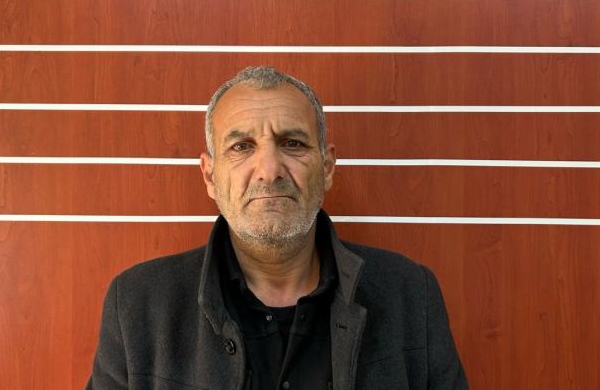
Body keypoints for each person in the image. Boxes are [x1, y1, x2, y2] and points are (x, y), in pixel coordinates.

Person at [87, 66, 468, 389]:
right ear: (210, 175)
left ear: (327, 167)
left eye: (293, 143)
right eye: (241, 146)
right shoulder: (138, 305)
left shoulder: (410, 295)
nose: (269, 171)